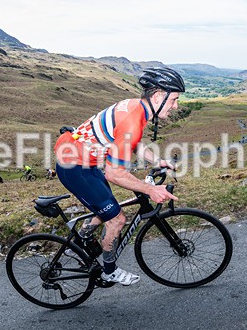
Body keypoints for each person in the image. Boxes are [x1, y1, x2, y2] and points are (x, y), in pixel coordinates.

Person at [53, 66, 183, 285]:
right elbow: (115, 174)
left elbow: (132, 142)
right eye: (174, 100)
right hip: (74, 167)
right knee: (117, 219)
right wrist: (150, 189)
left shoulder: (136, 107)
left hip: (84, 160)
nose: (175, 106)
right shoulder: (132, 121)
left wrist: (157, 161)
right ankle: (109, 271)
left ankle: (84, 235)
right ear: (159, 95)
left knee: (107, 207)